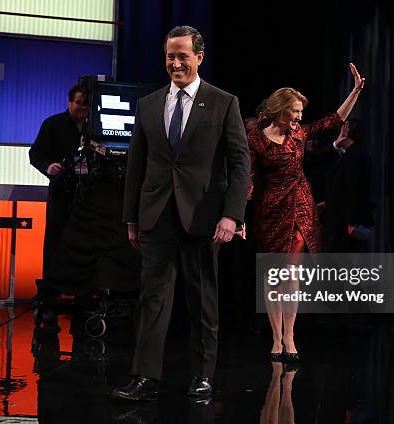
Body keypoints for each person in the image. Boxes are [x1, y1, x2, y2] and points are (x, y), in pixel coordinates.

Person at [112, 26, 250, 401]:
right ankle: (144, 377)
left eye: (182, 56)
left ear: (199, 57)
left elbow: (240, 165)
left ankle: (202, 376)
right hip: (156, 218)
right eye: (170, 56)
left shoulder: (224, 102)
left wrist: (232, 216)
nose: (175, 63)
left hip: (204, 220)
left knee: (203, 300)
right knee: (152, 300)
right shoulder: (149, 104)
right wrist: (131, 218)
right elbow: (136, 166)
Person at [247, 64, 365, 361]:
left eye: (301, 112)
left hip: (300, 205)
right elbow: (246, 179)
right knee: (274, 275)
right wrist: (236, 216)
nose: (300, 117)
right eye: (295, 111)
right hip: (271, 209)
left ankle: (290, 336)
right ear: (280, 111)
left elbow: (334, 120)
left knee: (293, 274)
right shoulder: (257, 140)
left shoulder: (299, 133)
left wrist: (355, 91)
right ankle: (276, 338)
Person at [29, 83, 88, 322]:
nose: (82, 107)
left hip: (88, 199)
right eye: (78, 102)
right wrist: (48, 166)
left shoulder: (96, 127)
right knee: (54, 244)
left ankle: (82, 296)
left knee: (85, 246)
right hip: (62, 194)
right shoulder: (52, 124)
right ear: (69, 102)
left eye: (86, 103)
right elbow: (36, 154)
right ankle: (50, 299)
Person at [322, 119, 374, 253]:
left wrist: (351, 223)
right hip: (346, 221)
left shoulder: (354, 156)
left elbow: (354, 190)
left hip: (347, 223)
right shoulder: (353, 154)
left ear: (345, 131)